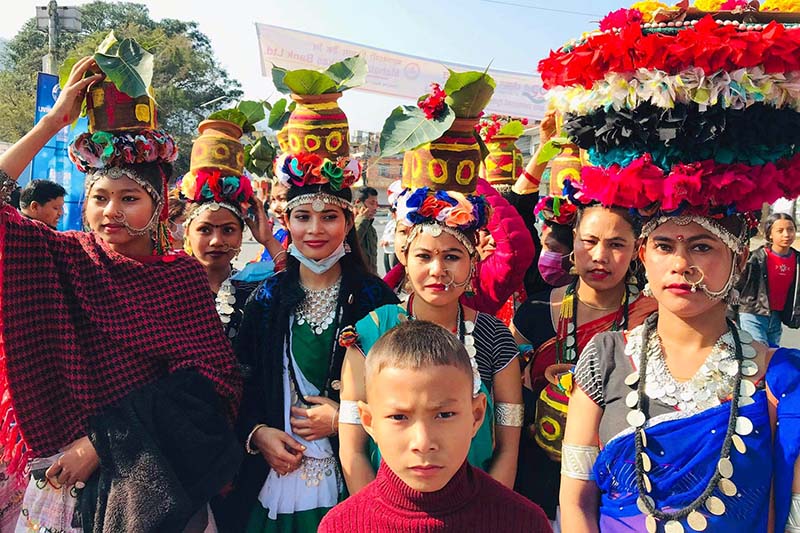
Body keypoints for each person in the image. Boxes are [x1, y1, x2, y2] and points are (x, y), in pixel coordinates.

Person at [542, 6, 800, 531]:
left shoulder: (780, 378)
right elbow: (574, 502)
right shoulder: (606, 359)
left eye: (703, 247)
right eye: (664, 245)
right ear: (644, 256)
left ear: (741, 258)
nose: (681, 264)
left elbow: (786, 513)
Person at [0, 56, 242, 532]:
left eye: (129, 198)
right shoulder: (62, 256)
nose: (111, 212)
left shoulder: (182, 278)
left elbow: (212, 384)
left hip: (156, 484)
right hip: (64, 485)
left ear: (159, 204)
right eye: (99, 198)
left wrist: (100, 442)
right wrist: (53, 122)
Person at [225, 65, 398, 533]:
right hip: (273, 473)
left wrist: (345, 420)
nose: (315, 230)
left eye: (329, 217)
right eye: (303, 216)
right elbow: (236, 382)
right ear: (287, 221)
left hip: (351, 475)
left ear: (349, 223)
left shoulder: (375, 300)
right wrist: (257, 434)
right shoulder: (264, 297)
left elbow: (399, 394)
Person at [339, 184, 524, 493]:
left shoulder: (494, 337)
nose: (437, 270)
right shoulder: (370, 332)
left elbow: (508, 447)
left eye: (452, 257)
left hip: (476, 507)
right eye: (424, 256)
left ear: (472, 262)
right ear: (405, 259)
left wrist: (486, 515)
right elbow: (353, 448)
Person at [319, 321, 552, 533]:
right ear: (369, 421)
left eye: (444, 414)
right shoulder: (342, 526)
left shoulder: (522, 523)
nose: (423, 442)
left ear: (476, 415)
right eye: (399, 417)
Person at [510, 200, 656, 527]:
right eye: (589, 241)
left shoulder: (654, 319)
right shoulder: (532, 313)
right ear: (574, 240)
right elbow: (510, 398)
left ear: (637, 250)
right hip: (536, 478)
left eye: (617, 244)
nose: (599, 256)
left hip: (622, 486)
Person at [383, 177, 535, 313]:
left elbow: (516, 249)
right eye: (403, 232)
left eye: (451, 256)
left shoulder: (477, 293)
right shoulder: (378, 299)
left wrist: (466, 179)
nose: (437, 271)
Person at [737, 212, 799, 346]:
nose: (786, 234)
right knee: (757, 354)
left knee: (771, 354)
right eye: (780, 231)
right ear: (770, 234)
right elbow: (737, 286)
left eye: (790, 229)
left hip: (777, 316)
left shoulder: (797, 260)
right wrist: (730, 315)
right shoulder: (755, 259)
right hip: (752, 313)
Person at [354, 186, 379, 273]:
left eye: (376, 204)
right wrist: (362, 219)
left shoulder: (371, 229)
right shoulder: (346, 224)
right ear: (358, 203)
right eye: (372, 203)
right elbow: (352, 243)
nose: (375, 207)